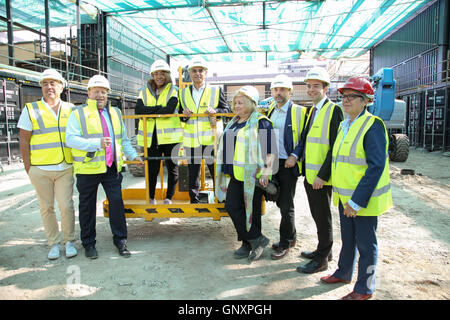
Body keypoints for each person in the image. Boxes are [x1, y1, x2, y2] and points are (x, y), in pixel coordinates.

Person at [320, 77, 392, 300]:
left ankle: (364, 288)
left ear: (366, 100)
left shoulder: (373, 125)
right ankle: (343, 272)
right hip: (345, 197)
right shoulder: (345, 124)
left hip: (363, 200)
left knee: (366, 244)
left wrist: (357, 201)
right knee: (348, 239)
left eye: (352, 96)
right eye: (344, 96)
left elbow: (376, 166)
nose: (346, 100)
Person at [66, 75, 143, 259]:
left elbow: (123, 139)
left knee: (116, 204)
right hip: (88, 169)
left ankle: (120, 240)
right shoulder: (78, 113)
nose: (100, 95)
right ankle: (89, 243)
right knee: (87, 207)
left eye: (103, 92)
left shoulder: (115, 113)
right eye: (96, 91)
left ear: (107, 94)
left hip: (112, 168)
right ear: (89, 92)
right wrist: (96, 143)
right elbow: (70, 139)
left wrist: (133, 155)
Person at [18, 68, 77, 260]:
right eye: (45, 83)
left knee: (66, 206)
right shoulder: (31, 109)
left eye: (53, 83)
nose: (49, 87)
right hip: (41, 169)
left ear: (61, 86)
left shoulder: (71, 109)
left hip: (65, 167)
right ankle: (53, 243)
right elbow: (24, 140)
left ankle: (68, 241)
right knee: (46, 207)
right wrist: (29, 168)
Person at [215, 86, 274, 262]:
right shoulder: (233, 122)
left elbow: (270, 150)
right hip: (235, 174)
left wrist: (266, 172)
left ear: (251, 103)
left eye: (241, 102)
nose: (237, 106)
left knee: (252, 211)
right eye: (235, 102)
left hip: (253, 176)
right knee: (232, 207)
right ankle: (257, 239)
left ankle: (248, 244)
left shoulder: (262, 122)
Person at [297, 67, 344, 274]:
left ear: (326, 88)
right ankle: (324, 251)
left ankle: (322, 259)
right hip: (310, 173)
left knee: (323, 216)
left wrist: (323, 175)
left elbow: (335, 145)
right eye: (309, 86)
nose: (311, 90)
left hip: (320, 177)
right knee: (317, 214)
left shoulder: (334, 110)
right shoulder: (313, 110)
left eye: (316, 86)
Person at [266, 75, 307, 260]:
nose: (278, 93)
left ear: (290, 92)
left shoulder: (299, 112)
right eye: (275, 89)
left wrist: (294, 155)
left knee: (286, 205)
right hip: (273, 163)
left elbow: (304, 137)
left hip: (288, 163)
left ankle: (284, 243)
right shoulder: (269, 111)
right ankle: (291, 237)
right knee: (278, 200)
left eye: (282, 89)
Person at [179, 58, 230, 203]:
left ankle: (220, 199)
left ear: (205, 73)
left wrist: (215, 111)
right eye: (194, 71)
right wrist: (184, 115)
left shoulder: (215, 90)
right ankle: (194, 200)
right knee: (193, 172)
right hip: (192, 139)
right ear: (190, 73)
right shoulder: (183, 93)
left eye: (200, 70)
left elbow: (226, 110)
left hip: (211, 139)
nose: (197, 73)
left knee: (215, 171)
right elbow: (179, 114)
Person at [135, 60, 182, 204]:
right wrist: (158, 109)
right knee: (152, 169)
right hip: (152, 138)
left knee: (172, 168)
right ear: (152, 75)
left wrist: (151, 111)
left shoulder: (174, 90)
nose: (159, 77)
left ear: (167, 75)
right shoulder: (143, 91)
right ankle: (151, 197)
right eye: (156, 74)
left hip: (171, 137)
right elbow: (138, 110)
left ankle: (169, 198)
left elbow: (169, 110)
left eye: (162, 74)